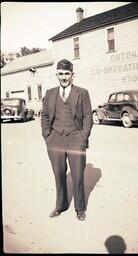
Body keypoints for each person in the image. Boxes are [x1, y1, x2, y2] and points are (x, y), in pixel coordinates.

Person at [41, 59, 93, 221]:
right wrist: (47, 135)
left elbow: (87, 117)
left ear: (72, 75)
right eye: (61, 74)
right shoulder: (50, 93)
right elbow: (45, 116)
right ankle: (61, 205)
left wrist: (83, 137)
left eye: (67, 74)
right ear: (56, 74)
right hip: (55, 138)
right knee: (59, 174)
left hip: (75, 137)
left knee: (77, 175)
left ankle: (80, 208)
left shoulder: (82, 93)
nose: (63, 77)